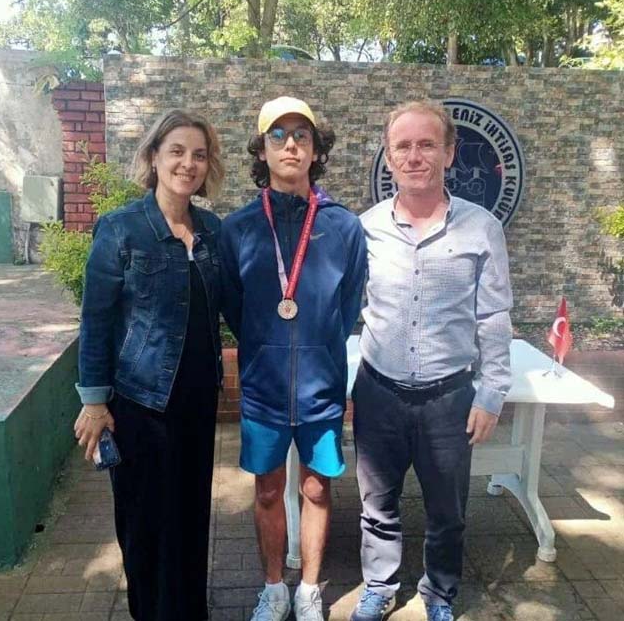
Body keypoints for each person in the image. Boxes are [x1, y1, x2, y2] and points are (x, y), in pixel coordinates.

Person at [350, 101, 513, 621]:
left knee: (448, 512)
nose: (414, 156)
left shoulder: (482, 228)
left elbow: (494, 315)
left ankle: (439, 593)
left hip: (449, 399)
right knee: (377, 505)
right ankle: (379, 586)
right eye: (403, 146)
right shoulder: (364, 229)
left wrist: (491, 394)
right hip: (379, 392)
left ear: (449, 152)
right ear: (388, 156)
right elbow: (342, 307)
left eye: (427, 144)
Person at [73, 109, 225, 621]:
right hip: (140, 404)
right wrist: (95, 402)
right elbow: (95, 320)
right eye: (177, 151)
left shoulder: (212, 231)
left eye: (199, 154)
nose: (188, 163)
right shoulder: (121, 229)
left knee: (190, 516)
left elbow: (235, 307)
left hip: (197, 402)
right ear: (154, 157)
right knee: (143, 523)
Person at [220, 96, 367, 621]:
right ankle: (273, 588)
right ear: (261, 150)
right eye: (277, 135)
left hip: (321, 387)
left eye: (301, 135)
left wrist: (317, 349)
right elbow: (234, 306)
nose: (290, 145)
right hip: (263, 387)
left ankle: (307, 589)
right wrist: (267, 346)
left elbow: (346, 306)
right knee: (266, 491)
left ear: (316, 150)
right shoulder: (237, 228)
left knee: (316, 488)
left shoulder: (343, 227)